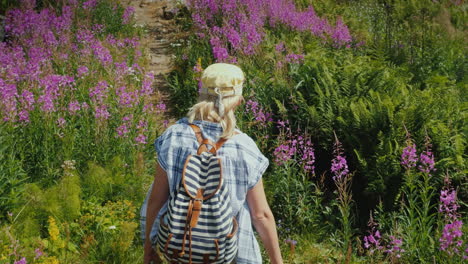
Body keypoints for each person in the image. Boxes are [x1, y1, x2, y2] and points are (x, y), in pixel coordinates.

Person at [142, 63, 283, 264]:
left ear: (201, 95)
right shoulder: (245, 148)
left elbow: (156, 201)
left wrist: (149, 246)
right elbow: (261, 216)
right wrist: (278, 261)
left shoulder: (173, 137)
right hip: (223, 253)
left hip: (180, 249)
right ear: (237, 102)